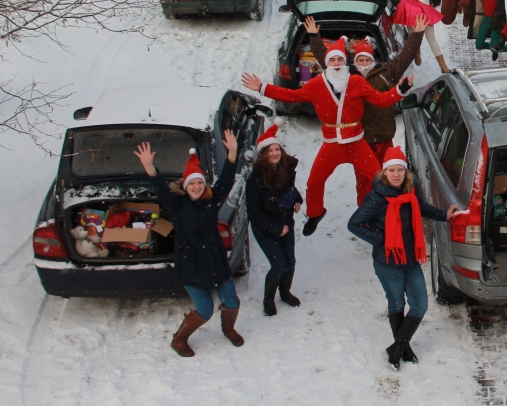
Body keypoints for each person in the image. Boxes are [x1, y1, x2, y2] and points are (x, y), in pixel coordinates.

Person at [241, 37, 413, 236]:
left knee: (379, 179)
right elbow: (292, 96)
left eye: (340, 60)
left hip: (357, 143)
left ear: (345, 62)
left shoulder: (356, 82)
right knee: (314, 182)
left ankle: (385, 213)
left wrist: (401, 90)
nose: (337, 64)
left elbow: (381, 100)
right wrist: (263, 88)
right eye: (333, 61)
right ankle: (315, 213)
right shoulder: (316, 85)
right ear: (327, 63)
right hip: (332, 145)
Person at [133, 131, 243, 357]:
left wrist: (232, 152)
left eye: (199, 182)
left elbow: (226, 179)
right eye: (191, 183)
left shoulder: (212, 200)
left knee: (231, 301)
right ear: (185, 185)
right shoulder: (176, 204)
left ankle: (229, 329)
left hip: (215, 261)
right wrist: (149, 167)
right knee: (205, 310)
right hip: (191, 264)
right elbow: (161, 189)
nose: (196, 186)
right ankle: (179, 339)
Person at [347, 147, 457, 370]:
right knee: (396, 303)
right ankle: (403, 349)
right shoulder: (376, 199)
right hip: (388, 262)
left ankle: (397, 347)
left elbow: (423, 208)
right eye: (391, 170)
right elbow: (354, 224)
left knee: (420, 305)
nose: (396, 174)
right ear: (384, 173)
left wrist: (444, 215)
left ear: (405, 172)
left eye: (400, 170)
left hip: (410, 258)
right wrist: (381, 239)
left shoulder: (411, 188)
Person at [306, 14, 426, 162]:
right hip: (358, 137)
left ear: (372, 59)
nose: (364, 63)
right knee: (364, 178)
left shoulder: (387, 72)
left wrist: (417, 34)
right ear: (355, 61)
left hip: (383, 135)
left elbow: (406, 56)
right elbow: (326, 60)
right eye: (360, 60)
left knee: (386, 173)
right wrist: (314, 37)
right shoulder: (346, 75)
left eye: (367, 59)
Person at [245, 124, 303, 316]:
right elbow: (253, 213)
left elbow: (290, 189)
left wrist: (297, 199)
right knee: (278, 265)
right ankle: (268, 299)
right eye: (270, 150)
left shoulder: (285, 169)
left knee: (290, 263)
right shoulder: (254, 180)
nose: (275, 153)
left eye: (277, 149)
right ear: (263, 154)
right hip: (265, 227)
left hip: (285, 222)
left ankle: (285, 293)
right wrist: (275, 228)